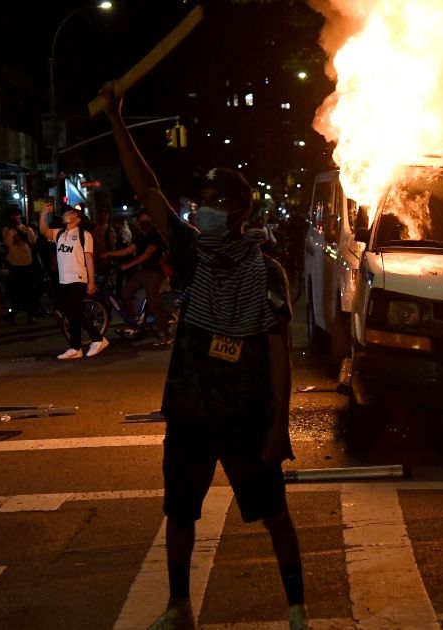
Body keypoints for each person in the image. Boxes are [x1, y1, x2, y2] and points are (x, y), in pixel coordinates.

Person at [100, 85, 307, 630]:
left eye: (215, 203)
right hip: (192, 409)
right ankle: (179, 608)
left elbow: (279, 354)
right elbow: (147, 188)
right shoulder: (192, 254)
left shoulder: (266, 271)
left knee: (274, 514)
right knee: (179, 513)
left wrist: (279, 426)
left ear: (240, 211)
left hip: (244, 414)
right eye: (200, 203)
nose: (202, 211)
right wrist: (119, 121)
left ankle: (296, 612)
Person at [38, 202, 109, 359]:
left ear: (77, 219)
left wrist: (91, 281)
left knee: (73, 310)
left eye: (72, 213)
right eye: (67, 212)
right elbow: (44, 231)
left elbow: (89, 259)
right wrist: (43, 214)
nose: (68, 214)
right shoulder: (59, 234)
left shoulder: (84, 235)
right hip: (64, 279)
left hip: (78, 278)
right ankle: (75, 347)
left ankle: (98, 338)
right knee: (70, 314)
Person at [101, 210, 171, 344]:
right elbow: (129, 250)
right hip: (143, 271)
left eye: (147, 220)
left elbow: (147, 254)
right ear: (138, 222)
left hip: (155, 272)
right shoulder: (140, 236)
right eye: (142, 220)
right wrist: (110, 253)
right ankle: (134, 323)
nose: (144, 223)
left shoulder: (155, 235)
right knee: (125, 292)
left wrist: (128, 265)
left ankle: (164, 333)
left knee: (153, 301)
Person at [1, 207, 39, 325]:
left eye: (17, 215)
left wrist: (26, 228)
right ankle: (14, 314)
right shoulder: (7, 230)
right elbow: (7, 243)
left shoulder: (25, 228)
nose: (15, 217)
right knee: (15, 291)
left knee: (29, 291)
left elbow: (32, 240)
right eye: (13, 215)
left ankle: (30, 315)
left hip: (27, 263)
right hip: (14, 264)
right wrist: (12, 229)